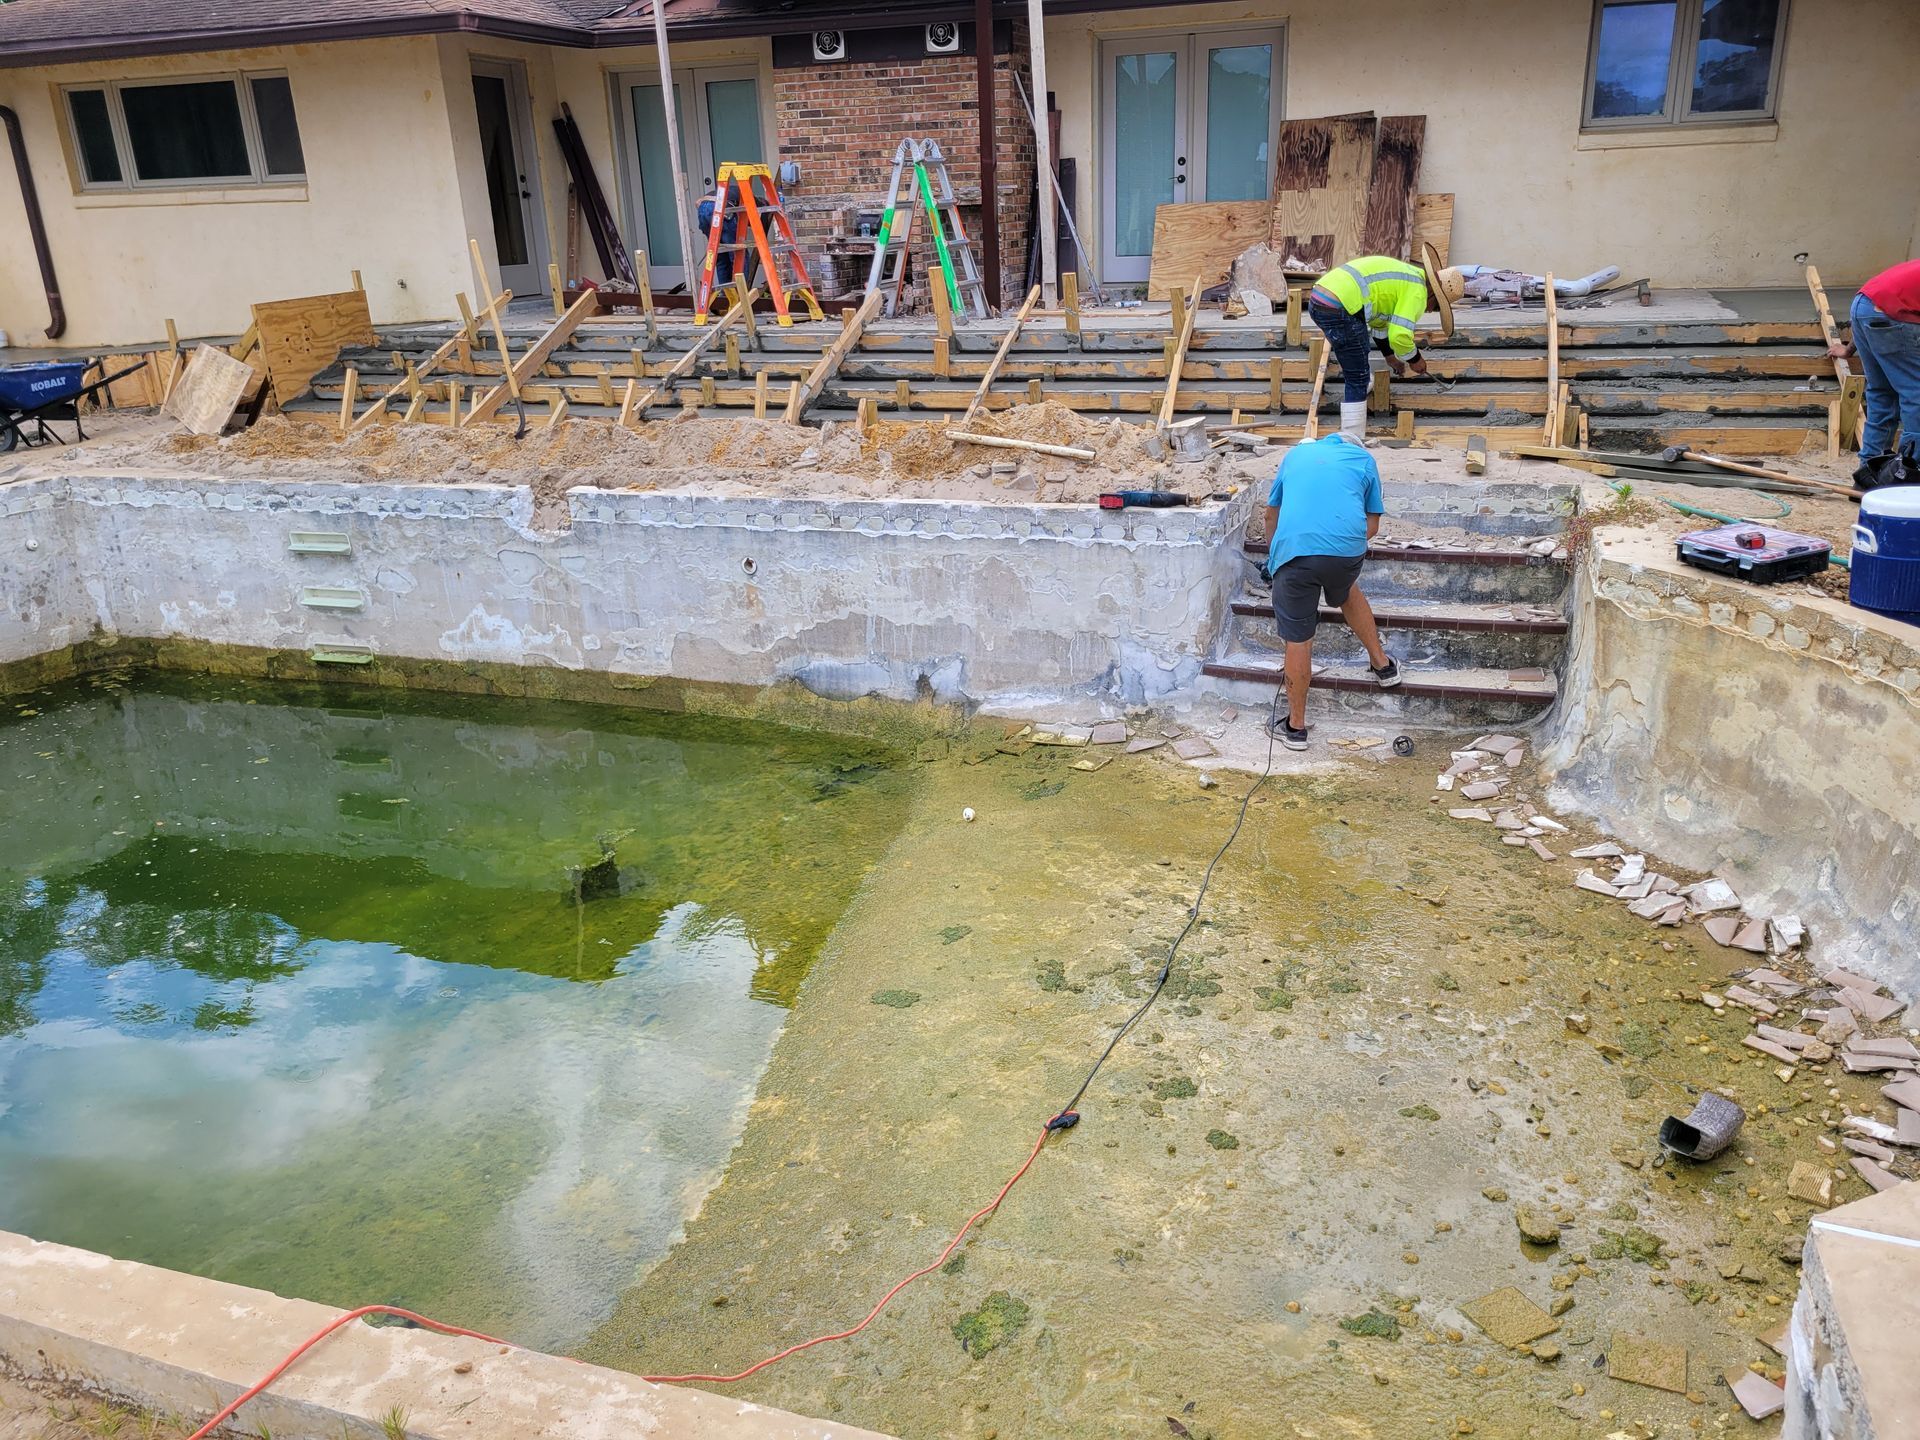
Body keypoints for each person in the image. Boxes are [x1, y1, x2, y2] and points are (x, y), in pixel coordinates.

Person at [1256, 432, 1398, 750]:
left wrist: (1275, 559)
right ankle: (1383, 666)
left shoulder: (1294, 456)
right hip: (1346, 553)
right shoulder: (1364, 460)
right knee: (1346, 590)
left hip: (1294, 554)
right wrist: (1336, 543)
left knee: (1298, 639)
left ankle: (1296, 728)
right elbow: (1371, 528)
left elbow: (1270, 516)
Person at [1307, 242, 1466, 442]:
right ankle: (1352, 440)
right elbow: (1399, 335)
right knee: (1358, 376)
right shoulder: (1418, 292)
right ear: (1433, 294)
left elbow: (1380, 323)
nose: (1429, 311)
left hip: (1319, 299)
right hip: (1340, 306)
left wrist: (1390, 357)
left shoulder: (1407, 278)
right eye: (1435, 307)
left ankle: (1356, 404)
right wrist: (1415, 359)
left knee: (1358, 354)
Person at [1830, 258, 1920, 489]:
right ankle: (1910, 474)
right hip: (1892, 315)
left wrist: (1849, 349)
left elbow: (1870, 306)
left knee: (1882, 393)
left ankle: (1867, 475)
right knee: (1916, 393)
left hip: (1862, 307)